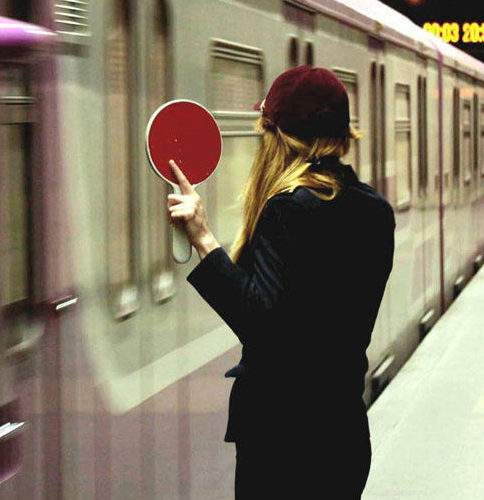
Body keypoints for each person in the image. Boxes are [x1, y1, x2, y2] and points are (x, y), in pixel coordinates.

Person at [166, 66, 395, 499]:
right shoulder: (376, 211)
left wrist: (203, 239)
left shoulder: (287, 210)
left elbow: (262, 323)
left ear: (279, 138)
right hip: (343, 431)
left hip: (283, 443)